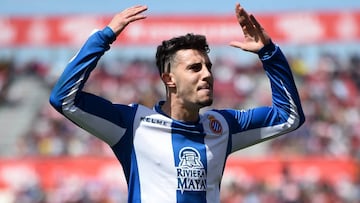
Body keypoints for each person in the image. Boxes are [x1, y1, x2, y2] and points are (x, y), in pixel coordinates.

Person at [49, 3, 305, 203]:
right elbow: (64, 99)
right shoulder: (132, 125)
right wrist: (103, 38)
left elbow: (289, 117)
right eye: (195, 68)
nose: (207, 74)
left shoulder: (223, 127)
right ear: (169, 79)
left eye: (208, 66)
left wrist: (269, 53)